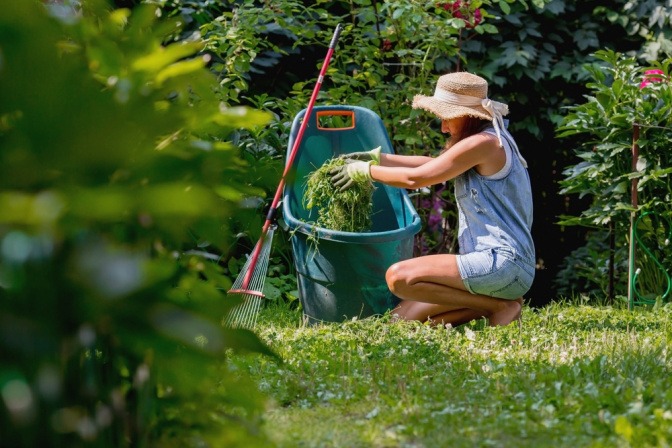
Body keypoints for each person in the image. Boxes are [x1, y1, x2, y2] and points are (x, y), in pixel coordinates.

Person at [330, 72, 535, 327]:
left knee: (399, 277)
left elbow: (415, 178)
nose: (443, 127)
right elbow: (434, 164)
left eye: (447, 118)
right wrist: (377, 158)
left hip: (501, 262)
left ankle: (499, 306)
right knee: (400, 320)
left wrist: (366, 172)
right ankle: (501, 306)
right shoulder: (486, 139)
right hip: (502, 268)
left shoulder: (485, 143)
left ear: (468, 115)